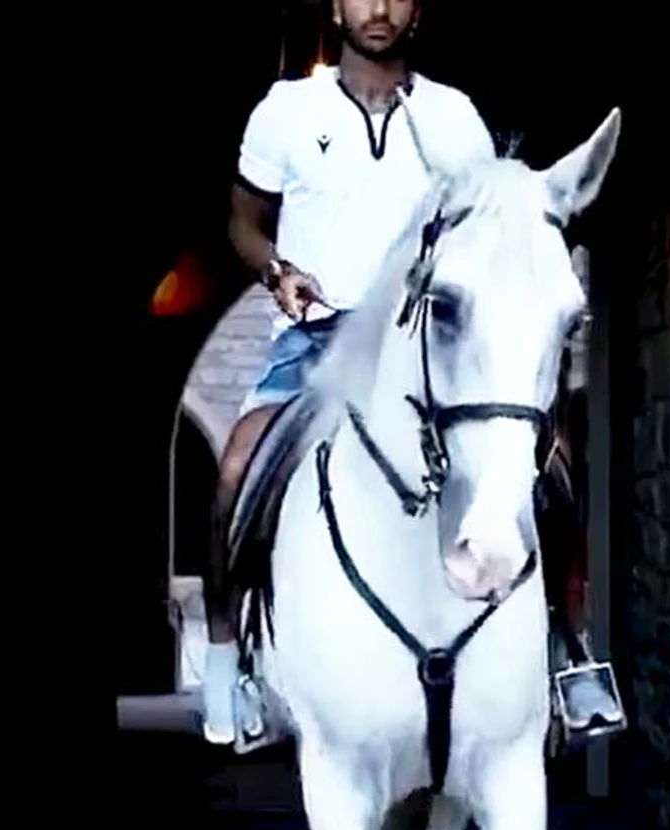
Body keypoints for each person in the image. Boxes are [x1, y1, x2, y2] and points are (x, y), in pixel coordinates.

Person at [200, 0, 623, 749]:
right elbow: (243, 220)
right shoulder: (286, 110)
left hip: (426, 338)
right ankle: (228, 658)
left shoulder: (456, 118)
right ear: (336, 6)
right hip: (318, 337)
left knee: (546, 467)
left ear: (418, 10)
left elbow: (490, 224)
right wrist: (277, 270)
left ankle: (568, 649)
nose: (379, 8)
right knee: (235, 466)